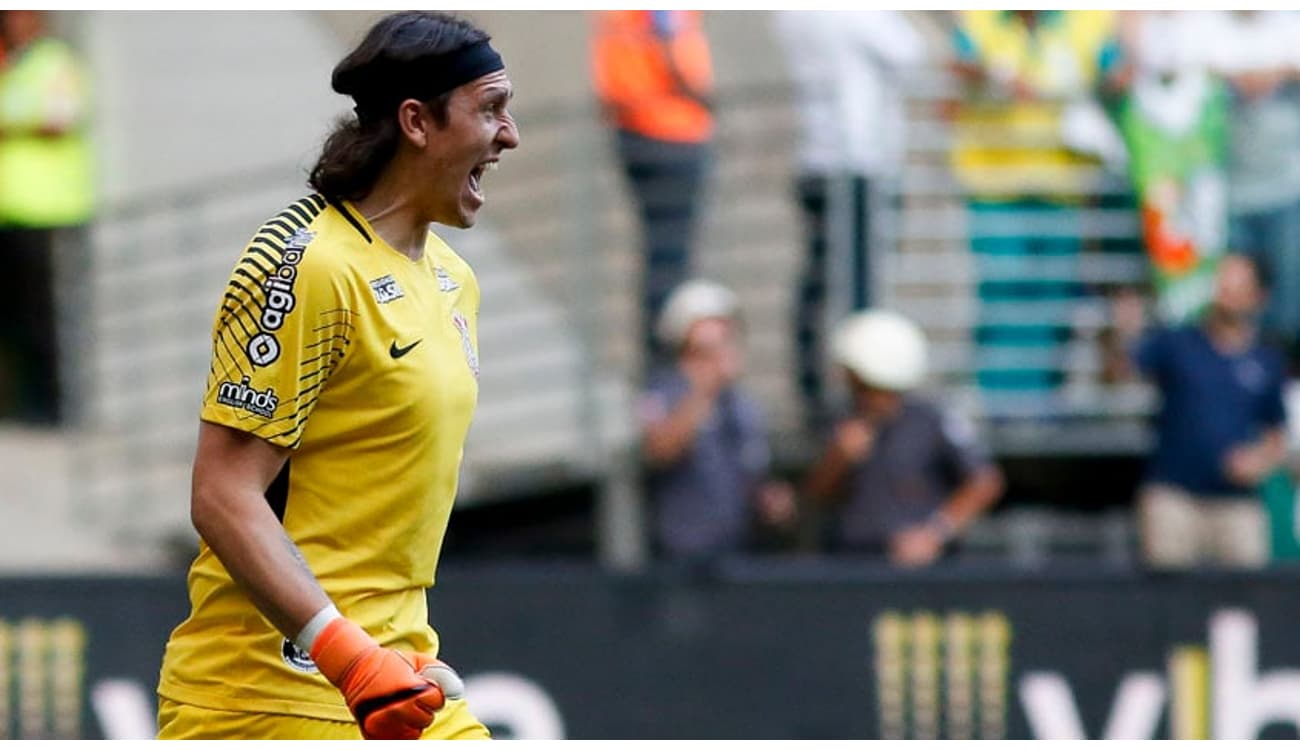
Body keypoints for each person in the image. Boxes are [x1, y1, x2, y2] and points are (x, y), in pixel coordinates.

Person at [155, 11, 519, 740]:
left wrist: (390, 653)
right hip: (267, 697)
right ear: (417, 121)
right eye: (491, 110)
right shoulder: (307, 265)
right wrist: (348, 656)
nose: (509, 136)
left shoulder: (451, 278)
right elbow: (223, 494)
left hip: (398, 683)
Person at [948, 11, 1120, 398]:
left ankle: (1041, 402)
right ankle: (1002, 402)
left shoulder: (1090, 19)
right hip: (995, 185)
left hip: (1061, 186)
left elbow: (1115, 73)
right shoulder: (980, 18)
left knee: (1053, 297)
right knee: (1003, 294)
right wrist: (995, 76)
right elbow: (959, 63)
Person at [771, 10, 928, 433]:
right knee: (859, 288)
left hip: (820, 161)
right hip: (858, 164)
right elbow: (909, 51)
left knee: (822, 283)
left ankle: (821, 390)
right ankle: (862, 395)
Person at [1107, 254, 1287, 569]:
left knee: (1246, 603)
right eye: (1223, 281)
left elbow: (1277, 435)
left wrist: (1257, 461)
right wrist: (1123, 335)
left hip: (1236, 504)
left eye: (1237, 284)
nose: (1225, 291)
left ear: (1258, 297)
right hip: (1174, 499)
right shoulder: (1179, 343)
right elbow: (1119, 375)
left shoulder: (1266, 361)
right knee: (1167, 604)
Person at [804, 310, 1004, 565]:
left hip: (918, 581)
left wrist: (934, 534)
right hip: (853, 566)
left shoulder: (931, 421)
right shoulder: (840, 422)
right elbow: (814, 497)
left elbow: (985, 481)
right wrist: (837, 460)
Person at [590, 10, 715, 370]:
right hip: (673, 130)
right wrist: (702, 96)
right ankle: (667, 368)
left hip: (633, 128)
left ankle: (659, 368)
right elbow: (671, 38)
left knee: (659, 261)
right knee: (671, 265)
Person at [639, 279, 796, 562]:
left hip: (735, 557)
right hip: (678, 562)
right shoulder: (661, 392)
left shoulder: (742, 407)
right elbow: (659, 450)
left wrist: (769, 501)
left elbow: (751, 474)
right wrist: (704, 391)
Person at [0, 9, 93, 424]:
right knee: (13, 317)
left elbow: (59, 119)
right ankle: (19, 404)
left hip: (48, 211)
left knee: (45, 318)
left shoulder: (55, 62)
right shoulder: (12, 64)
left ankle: (49, 409)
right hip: (11, 212)